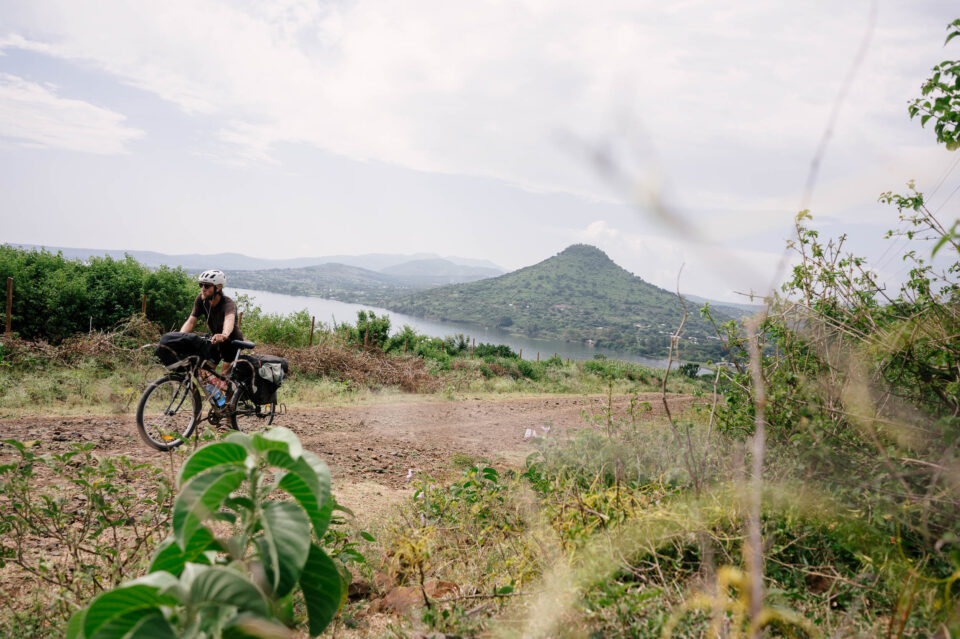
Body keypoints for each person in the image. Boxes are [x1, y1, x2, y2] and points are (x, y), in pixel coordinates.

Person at [179, 269, 244, 375]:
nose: (203, 289)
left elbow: (229, 320)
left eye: (207, 286)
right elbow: (191, 321)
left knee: (225, 377)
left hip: (231, 342)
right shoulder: (201, 300)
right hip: (215, 340)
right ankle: (210, 391)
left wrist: (224, 335)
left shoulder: (228, 304)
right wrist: (180, 336)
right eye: (201, 285)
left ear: (218, 287)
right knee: (204, 372)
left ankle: (228, 390)